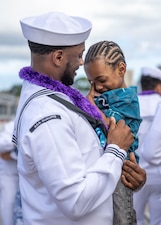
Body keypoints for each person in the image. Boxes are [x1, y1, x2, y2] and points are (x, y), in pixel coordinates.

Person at [12, 11, 146, 225]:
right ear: (58, 58)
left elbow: (86, 162)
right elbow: (75, 200)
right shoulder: (47, 114)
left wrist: (127, 174)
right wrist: (115, 150)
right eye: (79, 54)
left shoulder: (57, 100)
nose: (81, 62)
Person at [84, 40, 142, 225]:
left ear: (121, 69)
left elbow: (115, 128)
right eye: (92, 82)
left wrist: (91, 107)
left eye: (101, 80)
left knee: (122, 216)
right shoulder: (105, 96)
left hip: (122, 168)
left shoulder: (128, 99)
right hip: (105, 164)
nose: (98, 87)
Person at [133, 67, 161, 225]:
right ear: (158, 86)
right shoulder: (160, 104)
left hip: (134, 173)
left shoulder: (132, 104)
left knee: (135, 219)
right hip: (158, 174)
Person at [0, 120, 19, 225]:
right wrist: (19, 141)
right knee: (9, 212)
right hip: (9, 177)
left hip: (24, 179)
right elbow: (2, 146)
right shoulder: (12, 125)